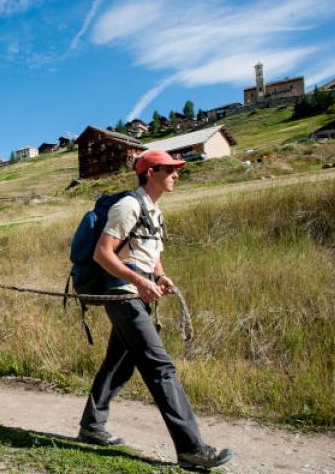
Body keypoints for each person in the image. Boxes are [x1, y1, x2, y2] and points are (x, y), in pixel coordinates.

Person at [77, 149, 233, 469]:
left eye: (176, 170)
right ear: (150, 173)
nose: (176, 174)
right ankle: (191, 449)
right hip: (122, 296)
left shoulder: (155, 212)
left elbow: (151, 253)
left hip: (138, 293)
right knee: (161, 367)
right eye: (169, 169)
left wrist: (159, 276)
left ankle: (92, 425)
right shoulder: (128, 206)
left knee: (119, 364)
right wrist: (140, 281)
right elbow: (102, 254)